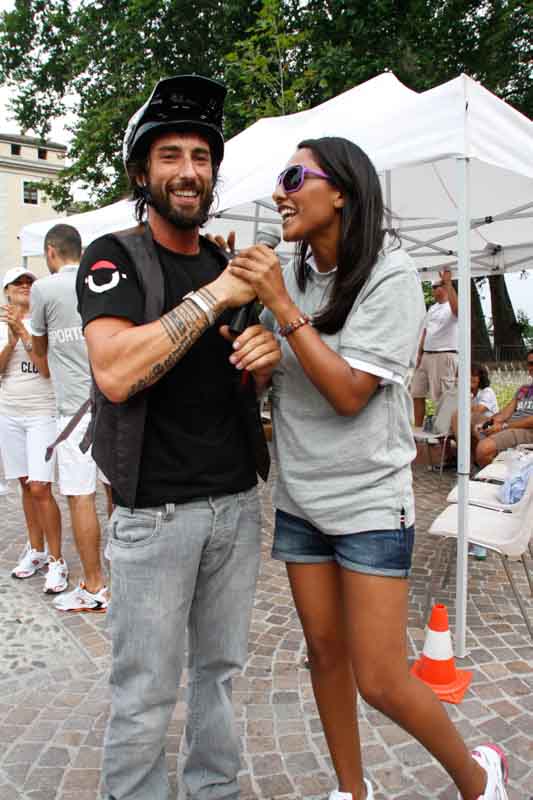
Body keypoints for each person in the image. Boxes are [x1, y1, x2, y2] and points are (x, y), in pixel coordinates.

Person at [228, 137, 509, 800]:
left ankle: (479, 779)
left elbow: (350, 393)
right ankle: (351, 791)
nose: (279, 194)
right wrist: (255, 359)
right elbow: (270, 377)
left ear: (341, 191)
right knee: (324, 656)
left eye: (293, 178)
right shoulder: (289, 271)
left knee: (379, 678)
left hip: (369, 505)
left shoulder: (390, 275)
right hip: (300, 500)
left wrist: (283, 310)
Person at [76, 74, 280, 800]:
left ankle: (213, 790)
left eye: (200, 156)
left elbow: (241, 377)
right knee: (145, 689)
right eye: (170, 156)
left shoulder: (227, 265)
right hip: (155, 514)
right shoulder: (113, 257)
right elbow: (116, 373)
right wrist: (216, 295)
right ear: (142, 173)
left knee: (220, 675)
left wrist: (263, 359)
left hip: (236, 505)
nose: (189, 171)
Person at [31, 223, 110, 612]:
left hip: (74, 410)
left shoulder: (44, 289)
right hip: (112, 401)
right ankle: (122, 574)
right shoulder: (101, 280)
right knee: (115, 491)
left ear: (51, 251)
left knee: (81, 496)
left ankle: (94, 585)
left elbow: (40, 350)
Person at [0, 267, 67, 593]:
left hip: (42, 413)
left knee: (41, 487)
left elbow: (46, 370)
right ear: (6, 291)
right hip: (9, 413)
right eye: (18, 282)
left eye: (30, 281)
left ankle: (57, 560)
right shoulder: (1, 325)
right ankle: (36, 550)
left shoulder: (45, 321)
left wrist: (23, 334)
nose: (25, 286)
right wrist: (10, 341)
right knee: (25, 485)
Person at [412, 270, 458, 426]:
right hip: (426, 355)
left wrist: (448, 282)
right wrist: (419, 354)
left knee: (442, 397)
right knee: (416, 392)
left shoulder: (451, 306)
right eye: (433, 287)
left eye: (436, 286)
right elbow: (425, 332)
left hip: (443, 355)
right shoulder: (432, 308)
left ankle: (443, 430)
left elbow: (458, 311)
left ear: (444, 287)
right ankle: (418, 428)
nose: (433, 290)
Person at [475, 349, 533, 468]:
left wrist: (504, 426)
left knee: (484, 449)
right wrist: (489, 423)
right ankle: (477, 467)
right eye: (530, 364)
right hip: (511, 427)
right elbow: (505, 413)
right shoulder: (524, 389)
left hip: (528, 431)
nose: (531, 367)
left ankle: (496, 476)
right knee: (470, 422)